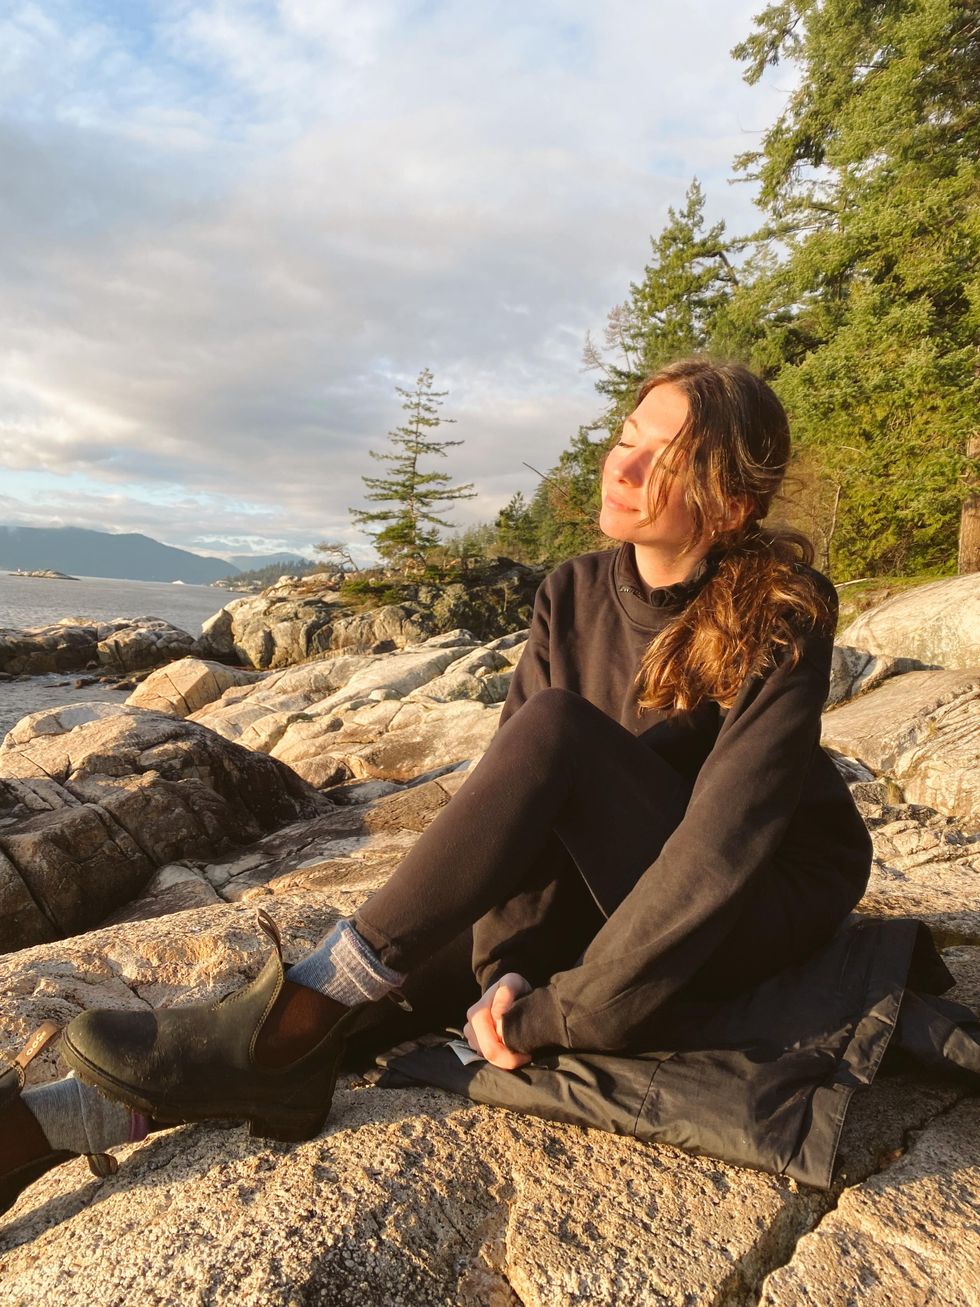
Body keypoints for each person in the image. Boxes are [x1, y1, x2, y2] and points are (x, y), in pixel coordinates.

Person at [1, 357, 873, 1215]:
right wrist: (510, 966)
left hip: (754, 897)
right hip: (618, 875)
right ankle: (46, 1125)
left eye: (665, 458)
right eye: (625, 437)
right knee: (389, 983)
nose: (624, 463)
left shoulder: (782, 611)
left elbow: (718, 852)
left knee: (555, 733)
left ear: (731, 502)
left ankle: (300, 1004)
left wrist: (558, 1014)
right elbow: (520, 819)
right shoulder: (570, 593)